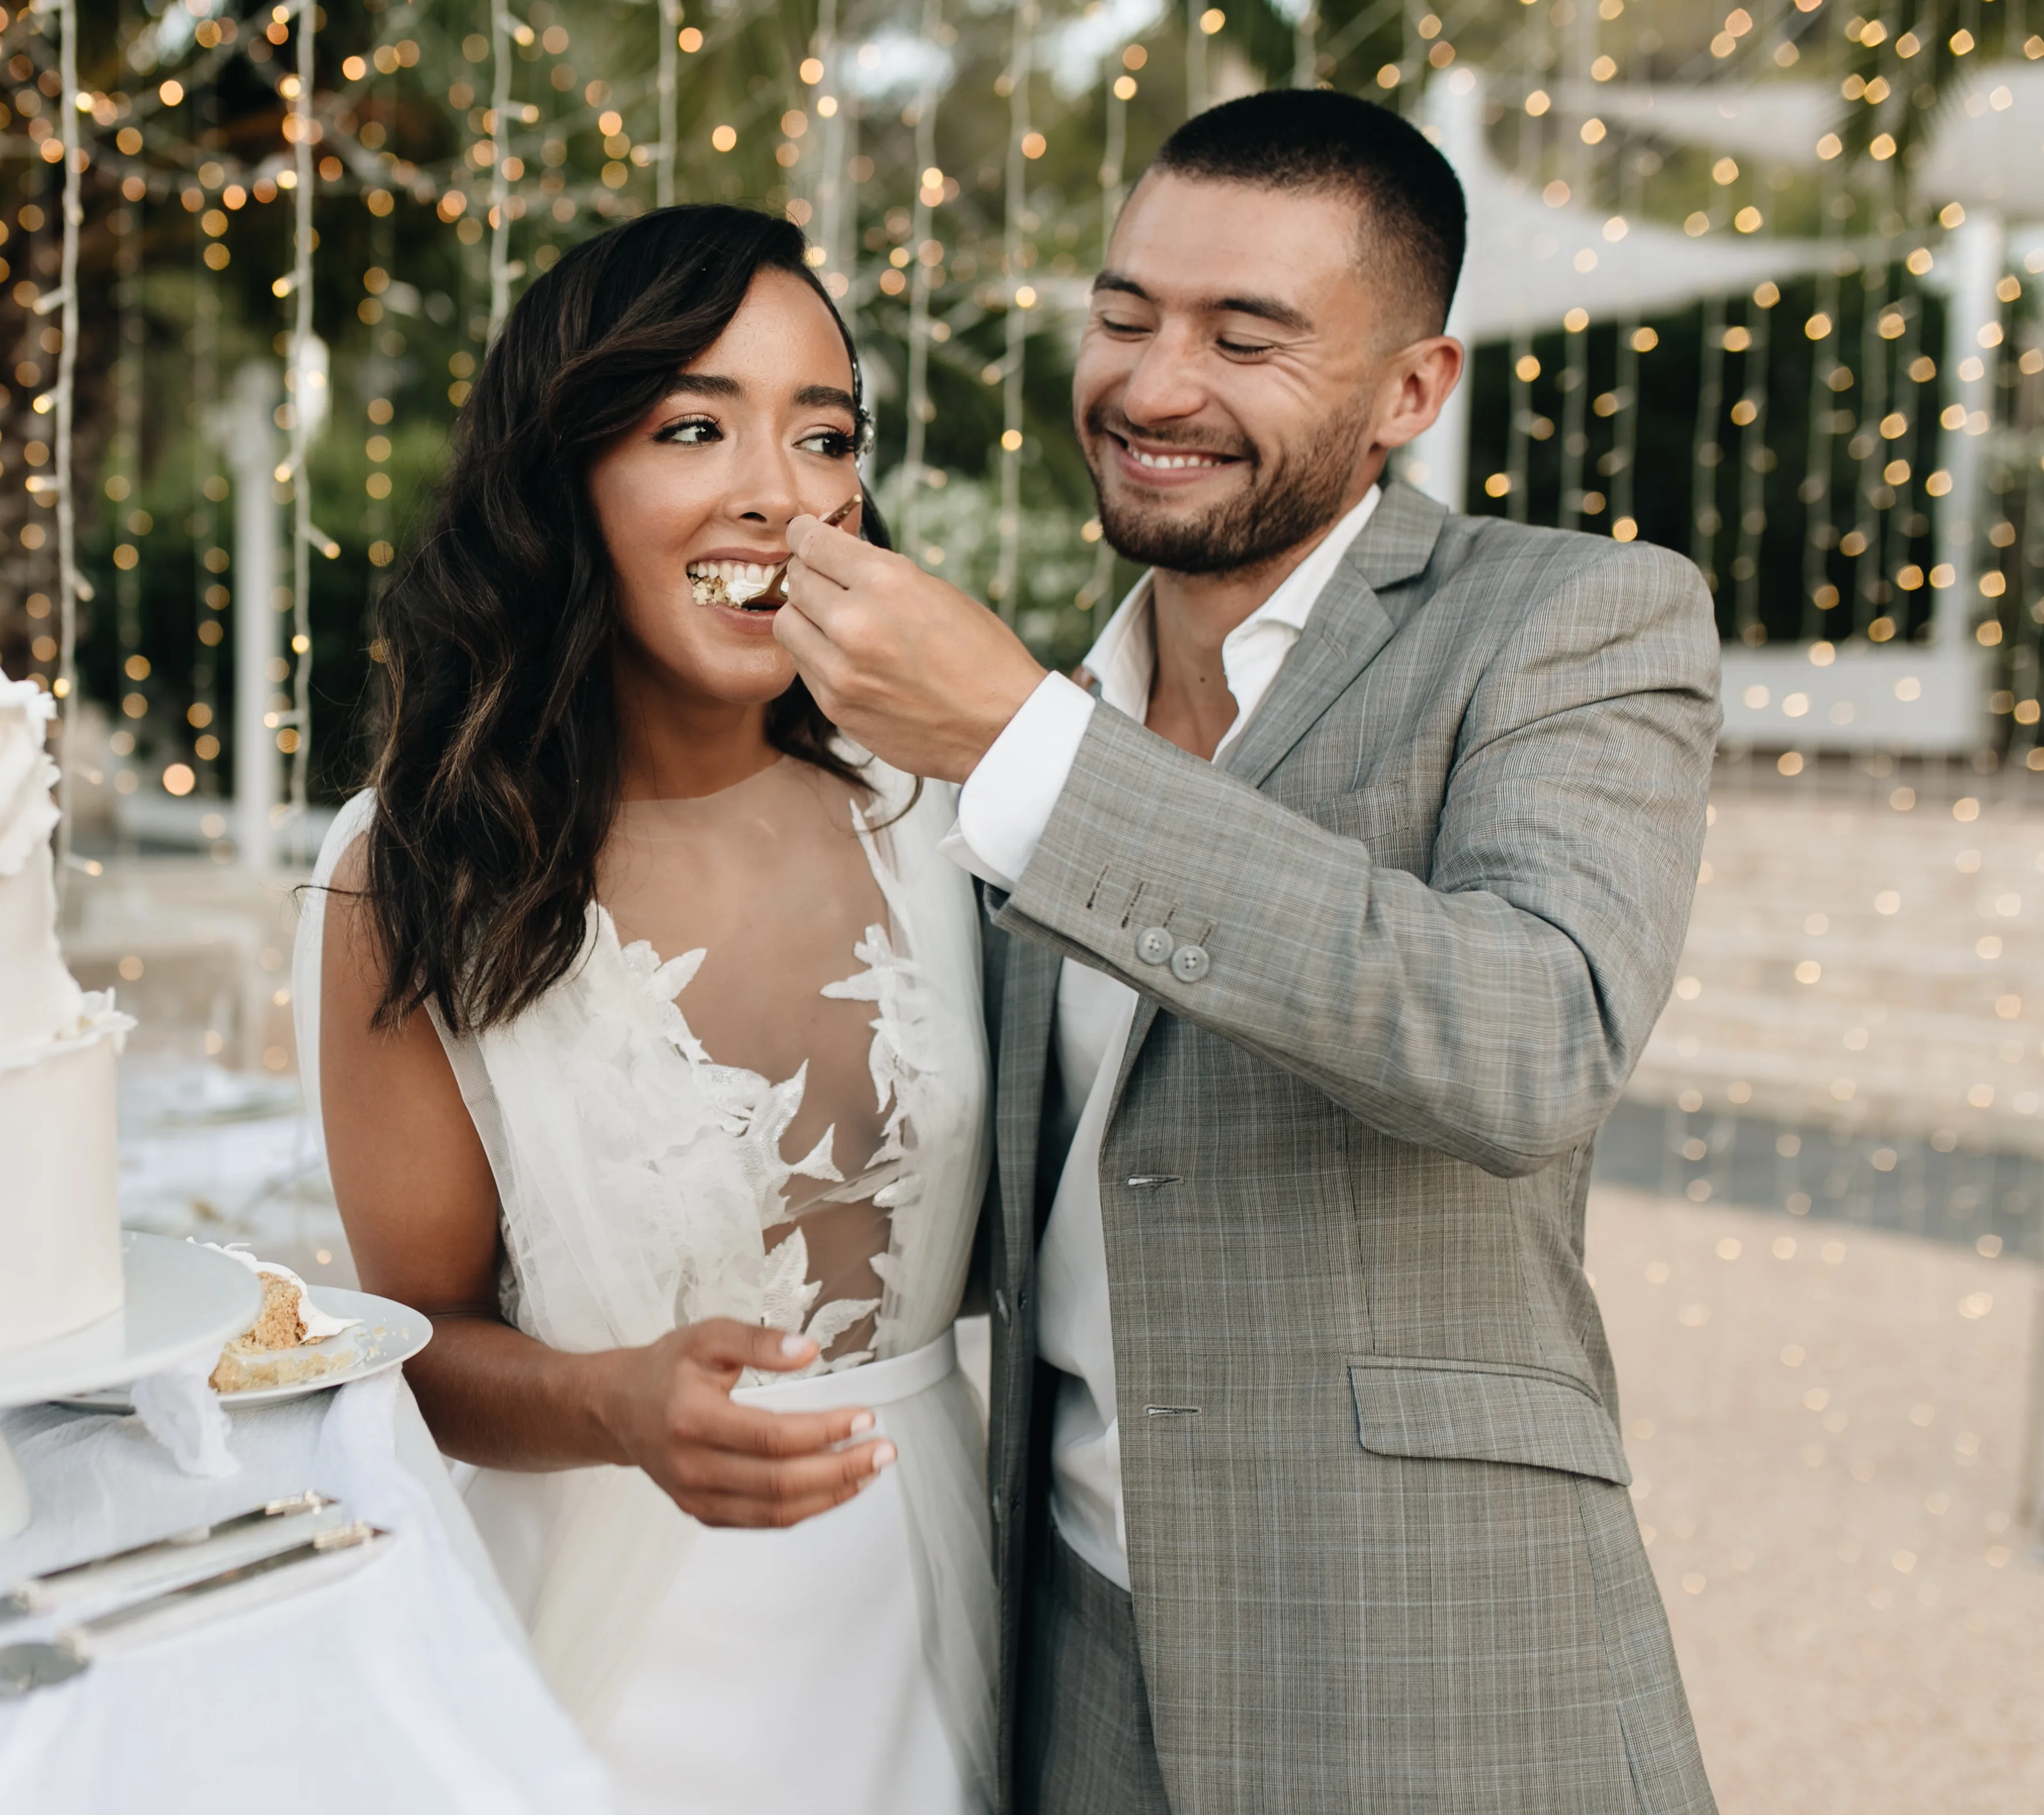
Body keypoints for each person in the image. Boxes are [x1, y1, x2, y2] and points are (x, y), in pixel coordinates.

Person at [774, 91, 1721, 1814]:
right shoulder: (1048, 701)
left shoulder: (1575, 616)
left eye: (1245, 337)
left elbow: (1530, 1041)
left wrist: (1029, 747)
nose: (1153, 387)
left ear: (1411, 391)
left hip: (1429, 1655)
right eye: (1124, 315)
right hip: (1069, 1642)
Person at [293, 205, 996, 1815]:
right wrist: (612, 1401)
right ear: (567, 478)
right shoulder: (414, 868)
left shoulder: (941, 811)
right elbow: (413, 1341)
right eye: (694, 427)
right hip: (611, 1648)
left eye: (825, 435)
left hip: (931, 1603)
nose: (780, 491)